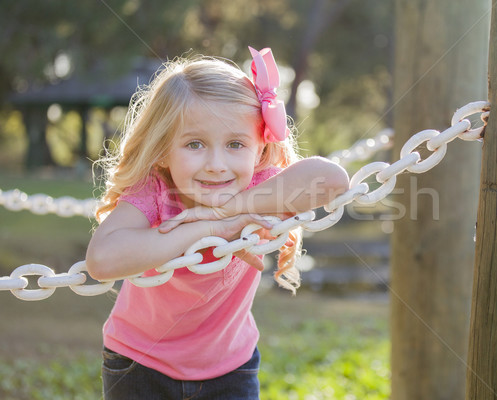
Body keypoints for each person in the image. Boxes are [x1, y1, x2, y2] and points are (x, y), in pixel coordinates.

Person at [85, 46, 349, 400]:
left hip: (230, 368)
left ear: (259, 147)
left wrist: (231, 210)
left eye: (236, 144)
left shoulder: (261, 188)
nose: (217, 164)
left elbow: (333, 179)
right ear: (163, 149)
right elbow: (102, 261)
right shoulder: (156, 190)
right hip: (138, 364)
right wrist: (207, 228)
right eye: (195, 144)